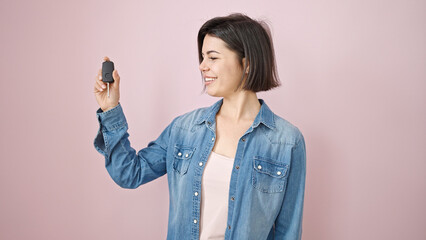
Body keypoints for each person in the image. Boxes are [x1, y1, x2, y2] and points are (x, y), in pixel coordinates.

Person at [93, 13, 306, 240]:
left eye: (213, 58)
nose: (202, 66)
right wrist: (110, 109)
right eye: (202, 57)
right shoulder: (185, 130)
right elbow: (129, 173)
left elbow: (288, 231)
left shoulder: (287, 141)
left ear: (247, 63)